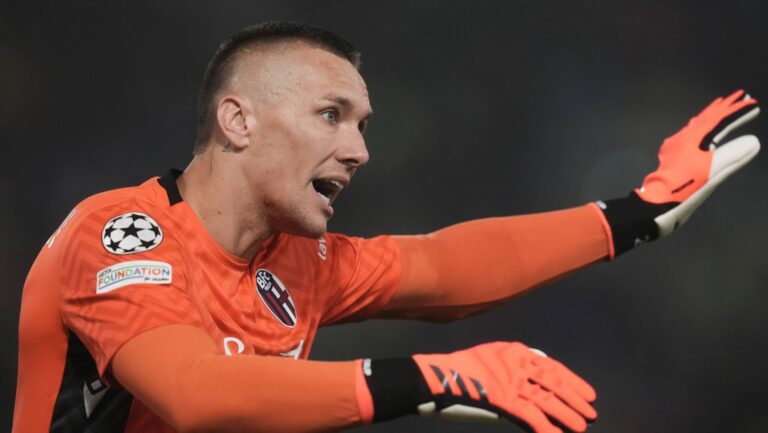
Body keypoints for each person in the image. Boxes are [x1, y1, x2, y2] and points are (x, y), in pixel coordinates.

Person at [12, 21, 760, 433]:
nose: (360, 149)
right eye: (331, 115)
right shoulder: (117, 233)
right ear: (236, 120)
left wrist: (637, 213)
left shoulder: (297, 260)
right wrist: (425, 377)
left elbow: (442, 267)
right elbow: (196, 393)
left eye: (364, 124)